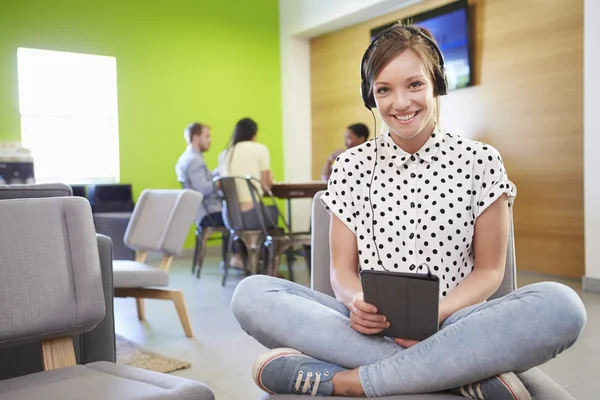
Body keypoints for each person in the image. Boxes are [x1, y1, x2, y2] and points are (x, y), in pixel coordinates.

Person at [229, 22, 587, 398]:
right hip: (366, 327)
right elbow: (341, 270)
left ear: (437, 85)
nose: (400, 103)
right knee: (251, 295)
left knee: (562, 306)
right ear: (371, 98)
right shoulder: (350, 166)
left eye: (414, 85)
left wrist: (440, 313)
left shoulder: (480, 160)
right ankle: (463, 373)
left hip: (456, 322)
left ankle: (347, 382)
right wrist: (355, 302)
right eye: (384, 90)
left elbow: (489, 271)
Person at [217, 118, 278, 268]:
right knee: (274, 214)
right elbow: (266, 186)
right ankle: (270, 268)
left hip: (230, 217)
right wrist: (270, 177)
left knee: (261, 218)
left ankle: (242, 256)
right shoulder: (260, 149)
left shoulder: (225, 154)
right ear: (254, 134)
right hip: (254, 215)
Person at [175, 122, 223, 228]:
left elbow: (204, 179)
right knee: (240, 218)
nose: (210, 140)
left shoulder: (187, 158)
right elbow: (203, 189)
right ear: (196, 138)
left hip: (200, 212)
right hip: (209, 213)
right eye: (207, 136)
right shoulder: (194, 160)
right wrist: (220, 183)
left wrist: (219, 171)